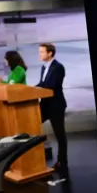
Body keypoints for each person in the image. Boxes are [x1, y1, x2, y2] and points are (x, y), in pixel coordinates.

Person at [37, 43, 68, 172]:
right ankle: (35, 160)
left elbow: (51, 86)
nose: (40, 55)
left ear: (50, 53)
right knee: (32, 126)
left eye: (42, 52)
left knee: (59, 135)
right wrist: (31, 89)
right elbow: (42, 83)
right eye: (39, 52)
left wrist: (38, 89)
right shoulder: (44, 67)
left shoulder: (58, 67)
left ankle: (62, 162)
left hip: (56, 105)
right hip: (44, 105)